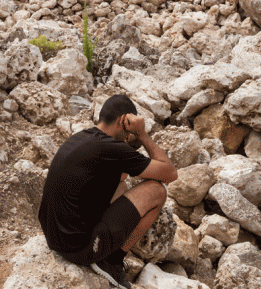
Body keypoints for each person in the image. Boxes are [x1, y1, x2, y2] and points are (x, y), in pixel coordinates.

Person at [38, 94, 178, 289]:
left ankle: (104, 249)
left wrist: (129, 142)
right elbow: (170, 173)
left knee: (122, 182)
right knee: (157, 191)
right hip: (79, 249)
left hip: (54, 238)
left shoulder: (82, 138)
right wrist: (143, 135)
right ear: (124, 121)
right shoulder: (113, 149)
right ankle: (111, 261)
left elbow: (120, 180)